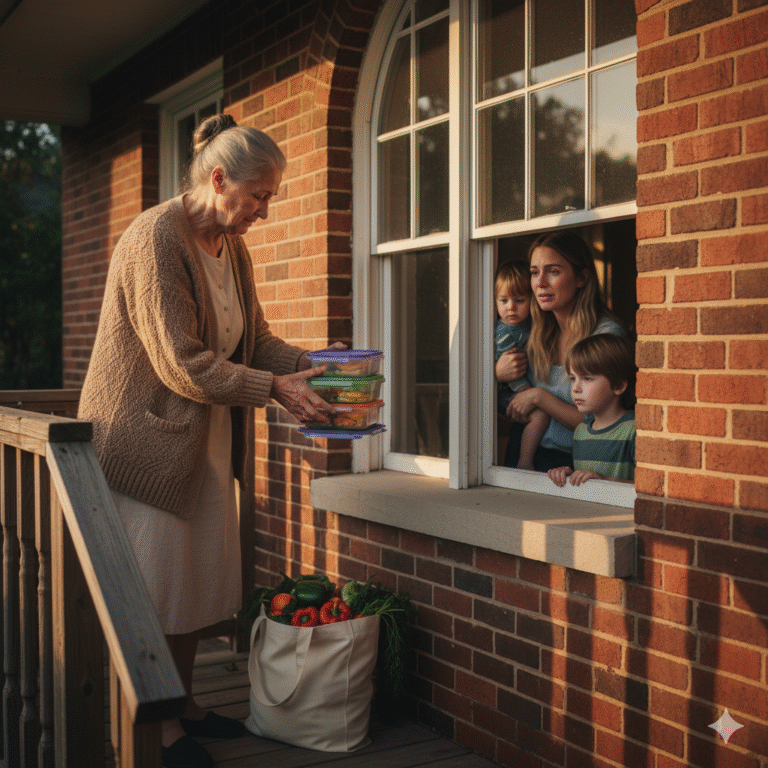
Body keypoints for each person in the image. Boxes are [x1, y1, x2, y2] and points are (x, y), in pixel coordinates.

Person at [78, 114, 340, 768]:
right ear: (218, 178)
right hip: (148, 444)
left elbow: (256, 343)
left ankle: (185, 701)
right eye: (260, 194)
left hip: (206, 439)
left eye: (272, 197)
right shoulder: (155, 238)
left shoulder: (233, 247)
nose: (265, 210)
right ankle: (160, 728)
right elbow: (179, 362)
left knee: (194, 585)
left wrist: (312, 362)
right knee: (160, 590)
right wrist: (275, 390)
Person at [497, 231, 627, 472]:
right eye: (535, 272)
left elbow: (603, 422)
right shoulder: (533, 332)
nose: (540, 282)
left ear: (582, 278)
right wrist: (498, 373)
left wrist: (539, 397)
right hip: (525, 452)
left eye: (553, 271)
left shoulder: (605, 335)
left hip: (575, 464)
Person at [547, 334, 636, 487]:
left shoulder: (634, 430)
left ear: (618, 386)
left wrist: (604, 481)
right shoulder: (581, 431)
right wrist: (568, 476)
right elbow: (585, 481)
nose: (575, 388)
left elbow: (647, 488)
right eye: (573, 378)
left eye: (587, 378)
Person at [494, 260, 550, 470]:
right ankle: (524, 461)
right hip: (507, 391)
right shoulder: (503, 332)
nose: (511, 308)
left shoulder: (530, 324)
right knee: (540, 414)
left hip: (523, 386)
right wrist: (525, 390)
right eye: (503, 300)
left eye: (519, 300)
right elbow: (512, 367)